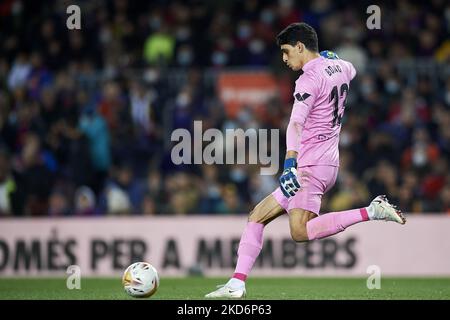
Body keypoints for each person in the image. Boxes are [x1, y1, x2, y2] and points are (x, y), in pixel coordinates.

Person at [205, 22, 405, 299]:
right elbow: (351, 68)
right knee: (257, 216)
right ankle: (237, 283)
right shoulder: (342, 68)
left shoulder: (308, 79)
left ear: (300, 46)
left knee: (299, 232)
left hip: (309, 167)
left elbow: (296, 123)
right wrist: (331, 57)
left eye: (287, 52)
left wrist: (289, 165)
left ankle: (371, 211)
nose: (284, 59)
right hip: (328, 162)